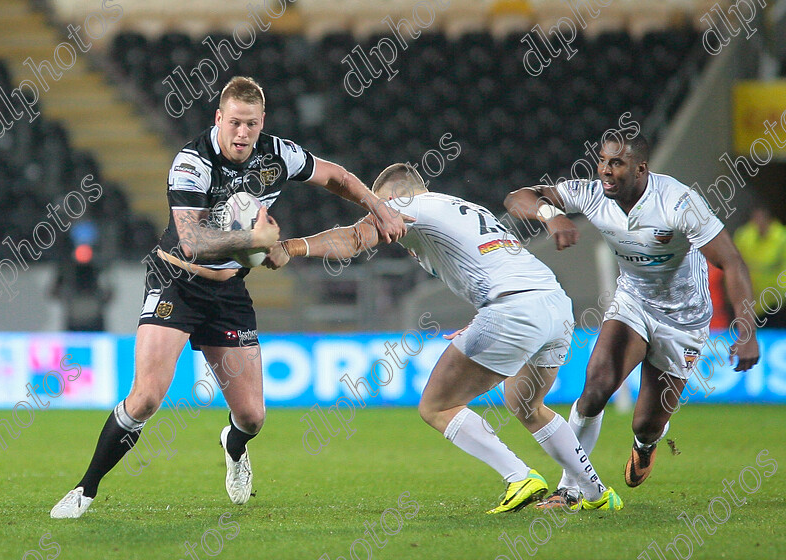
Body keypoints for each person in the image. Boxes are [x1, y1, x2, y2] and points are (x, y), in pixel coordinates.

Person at [50, 76, 405, 518]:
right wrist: (252, 240)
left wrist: (379, 207)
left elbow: (338, 177)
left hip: (229, 291)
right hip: (176, 283)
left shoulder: (278, 154)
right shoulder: (191, 162)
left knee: (253, 417)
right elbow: (193, 241)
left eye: (251, 125)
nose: (242, 134)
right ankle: (85, 490)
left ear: (262, 123)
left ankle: (233, 445)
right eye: (234, 123)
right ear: (219, 118)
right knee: (145, 398)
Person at [272, 163, 623, 512]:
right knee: (526, 404)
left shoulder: (406, 206)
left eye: (378, 206)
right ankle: (596, 494)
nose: (382, 218)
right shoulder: (467, 208)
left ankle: (519, 476)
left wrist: (291, 247)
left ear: (393, 197)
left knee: (436, 406)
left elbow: (352, 239)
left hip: (512, 311)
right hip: (554, 306)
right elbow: (496, 264)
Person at [504, 133, 759, 507]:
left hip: (683, 319)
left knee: (646, 423)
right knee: (594, 391)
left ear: (641, 169)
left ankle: (647, 443)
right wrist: (551, 214)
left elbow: (731, 260)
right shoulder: (592, 193)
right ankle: (570, 489)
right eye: (603, 161)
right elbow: (517, 198)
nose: (605, 171)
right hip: (633, 304)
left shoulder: (678, 202)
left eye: (616, 164)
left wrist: (747, 330)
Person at [733, 205, 786, 328]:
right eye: (755, 219)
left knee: (774, 332)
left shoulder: (782, 237)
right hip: (749, 297)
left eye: (762, 219)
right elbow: (736, 264)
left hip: (775, 299)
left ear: (770, 219)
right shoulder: (744, 236)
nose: (758, 223)